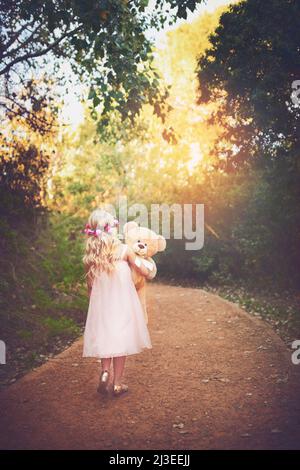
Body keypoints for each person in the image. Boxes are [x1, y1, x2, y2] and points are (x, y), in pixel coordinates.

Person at [82, 208, 152, 397]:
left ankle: (105, 372)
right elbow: (143, 270)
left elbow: (90, 287)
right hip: (123, 305)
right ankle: (117, 384)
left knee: (106, 338)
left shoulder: (92, 257)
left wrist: (94, 307)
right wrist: (146, 264)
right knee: (122, 341)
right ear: (112, 229)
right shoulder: (124, 251)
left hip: (102, 306)